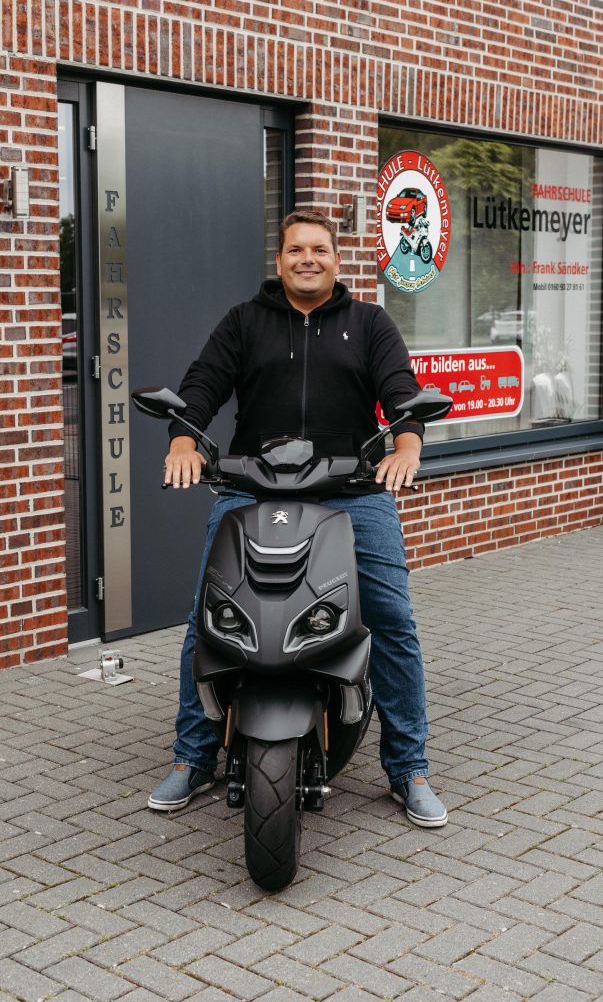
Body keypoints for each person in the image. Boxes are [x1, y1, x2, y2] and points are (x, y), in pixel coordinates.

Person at [148, 210, 447, 828]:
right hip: (252, 486)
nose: (307, 259)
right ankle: (194, 756)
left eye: (318, 249)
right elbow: (202, 386)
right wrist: (184, 442)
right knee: (208, 619)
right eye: (294, 250)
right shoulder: (244, 321)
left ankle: (409, 766)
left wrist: (407, 447)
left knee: (391, 619)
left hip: (353, 490)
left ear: (337, 259)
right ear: (279, 260)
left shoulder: (369, 322)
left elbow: (402, 393)